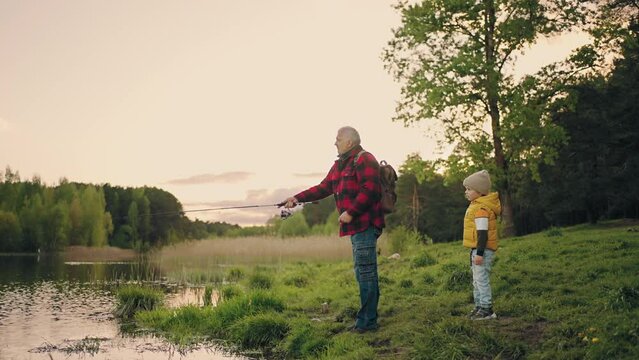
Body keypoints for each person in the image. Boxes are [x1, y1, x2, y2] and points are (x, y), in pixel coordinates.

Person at [281, 126, 385, 333]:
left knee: (365, 273)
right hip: (356, 227)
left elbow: (371, 190)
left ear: (350, 142)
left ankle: (367, 323)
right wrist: (297, 198)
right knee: (361, 272)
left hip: (365, 224)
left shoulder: (365, 159)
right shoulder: (339, 165)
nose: (334, 142)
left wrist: (351, 212)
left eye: (338, 139)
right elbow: (322, 188)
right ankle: (365, 319)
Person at [462, 170, 501, 320]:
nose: (466, 192)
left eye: (469, 189)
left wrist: (479, 253)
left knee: (481, 279)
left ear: (480, 191)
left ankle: (487, 309)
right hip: (476, 250)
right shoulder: (475, 206)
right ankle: (479, 306)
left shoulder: (482, 209)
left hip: (482, 250)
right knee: (476, 280)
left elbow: (483, 234)